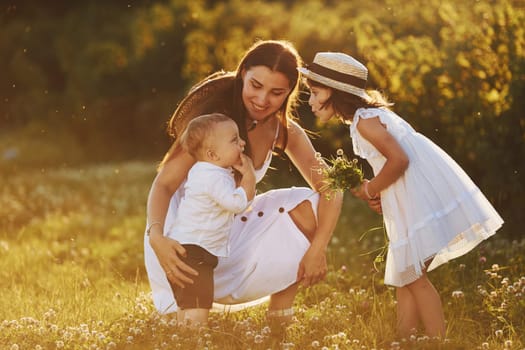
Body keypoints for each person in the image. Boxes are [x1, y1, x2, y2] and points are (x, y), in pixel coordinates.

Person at [299, 52, 504, 338]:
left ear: (335, 92)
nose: (310, 101)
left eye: (315, 92)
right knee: (407, 273)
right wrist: (382, 191)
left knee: (414, 276)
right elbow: (395, 166)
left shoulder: (364, 121)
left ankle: (437, 341)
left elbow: (400, 160)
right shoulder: (368, 117)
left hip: (418, 199)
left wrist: (370, 188)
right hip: (414, 193)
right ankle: (404, 338)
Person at [144, 40, 344, 326]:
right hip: (185, 239)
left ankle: (279, 318)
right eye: (255, 85)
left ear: (289, 92)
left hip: (229, 232)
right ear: (242, 75)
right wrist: (157, 237)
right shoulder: (212, 125)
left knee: (307, 204)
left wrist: (318, 248)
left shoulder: (282, 130)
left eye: (276, 92)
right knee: (186, 330)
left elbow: (331, 188)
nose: (263, 100)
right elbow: (163, 185)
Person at [160, 113, 255, 326]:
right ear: (213, 154)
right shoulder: (213, 177)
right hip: (194, 252)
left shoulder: (205, 171)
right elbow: (237, 204)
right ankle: (193, 342)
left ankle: (183, 340)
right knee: (197, 308)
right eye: (234, 140)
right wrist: (249, 176)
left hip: (187, 249)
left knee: (188, 306)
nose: (242, 143)